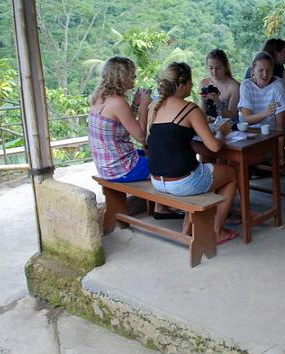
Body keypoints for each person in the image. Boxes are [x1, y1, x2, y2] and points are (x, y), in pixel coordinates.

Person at [146, 62, 238, 244]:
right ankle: (216, 230)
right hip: (182, 183)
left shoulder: (154, 107)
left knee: (200, 168)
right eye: (190, 82)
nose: (192, 86)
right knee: (231, 174)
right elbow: (214, 147)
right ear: (182, 85)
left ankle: (190, 227)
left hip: (157, 180)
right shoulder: (190, 109)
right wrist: (222, 133)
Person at [88, 56, 151, 183]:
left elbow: (123, 125)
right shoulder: (118, 102)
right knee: (168, 162)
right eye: (132, 75)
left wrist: (135, 104)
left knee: (151, 153)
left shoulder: (100, 97)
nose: (135, 78)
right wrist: (144, 106)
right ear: (122, 78)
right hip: (121, 170)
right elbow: (140, 136)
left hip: (106, 166)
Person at [238, 52, 285, 163]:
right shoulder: (246, 85)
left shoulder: (278, 85)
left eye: (268, 71)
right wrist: (266, 113)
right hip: (248, 138)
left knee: (249, 160)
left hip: (268, 139)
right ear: (252, 70)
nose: (265, 74)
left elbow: (280, 128)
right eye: (260, 70)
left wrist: (280, 154)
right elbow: (247, 118)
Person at [198, 49, 240, 121]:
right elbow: (201, 114)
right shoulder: (204, 83)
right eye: (211, 68)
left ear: (226, 67)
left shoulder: (234, 86)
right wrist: (202, 100)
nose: (214, 72)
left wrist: (217, 102)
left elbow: (233, 117)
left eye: (218, 68)